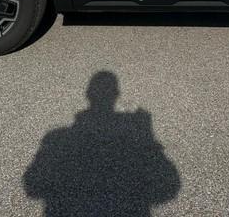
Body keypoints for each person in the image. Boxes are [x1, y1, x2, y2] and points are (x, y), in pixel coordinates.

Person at [24, 71, 181, 216]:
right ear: (117, 94)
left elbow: (32, 187)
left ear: (88, 94)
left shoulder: (56, 137)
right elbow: (168, 188)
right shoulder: (56, 137)